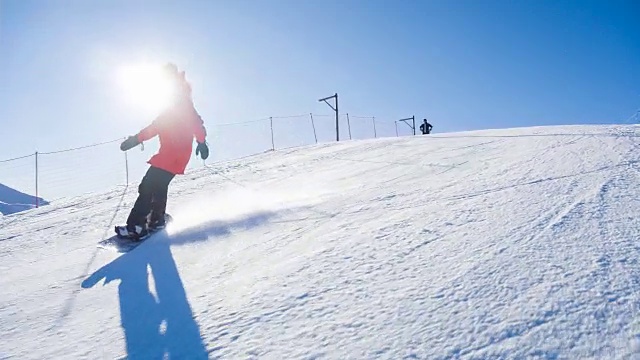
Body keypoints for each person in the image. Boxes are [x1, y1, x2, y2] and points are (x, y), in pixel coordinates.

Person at [115, 63, 209, 240]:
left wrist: (136, 139)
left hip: (170, 155)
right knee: (159, 186)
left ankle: (137, 227)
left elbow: (156, 127)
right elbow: (195, 123)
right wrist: (202, 142)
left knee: (148, 186)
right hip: (176, 156)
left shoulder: (177, 100)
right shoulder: (180, 99)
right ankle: (157, 219)